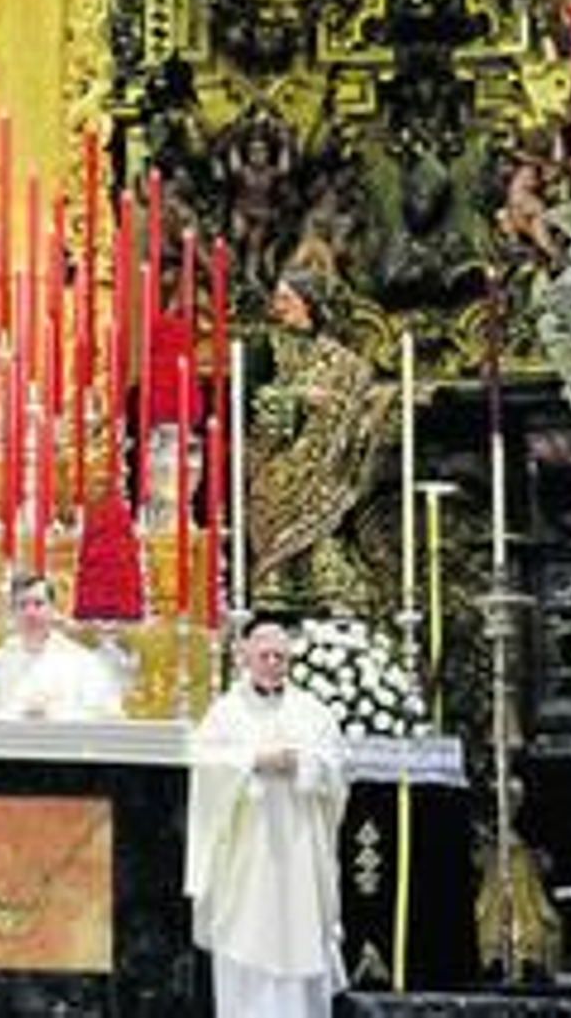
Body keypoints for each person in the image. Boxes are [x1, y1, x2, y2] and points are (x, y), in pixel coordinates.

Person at [184, 620, 348, 1018]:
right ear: (245, 657)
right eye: (265, 656)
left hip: (298, 849)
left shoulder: (313, 712)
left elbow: (336, 768)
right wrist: (252, 762)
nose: (273, 663)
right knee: (246, 939)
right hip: (247, 849)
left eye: (281, 657)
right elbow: (205, 766)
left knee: (299, 934)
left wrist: (302, 764)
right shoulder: (224, 713)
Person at [247, 267, 395, 615]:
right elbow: (248, 393)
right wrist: (296, 397)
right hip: (277, 464)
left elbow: (357, 406)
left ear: (308, 303)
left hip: (326, 468)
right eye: (277, 298)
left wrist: (380, 403)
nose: (278, 306)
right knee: (278, 526)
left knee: (322, 537)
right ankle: (276, 580)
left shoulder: (344, 362)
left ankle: (319, 575)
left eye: (286, 298)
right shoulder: (265, 346)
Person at [0, 572, 127, 720]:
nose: (30, 613)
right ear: (13, 613)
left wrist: (55, 716)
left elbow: (109, 715)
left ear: (53, 610)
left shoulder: (81, 661)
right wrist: (16, 715)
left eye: (38, 604)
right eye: (22, 605)